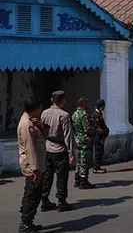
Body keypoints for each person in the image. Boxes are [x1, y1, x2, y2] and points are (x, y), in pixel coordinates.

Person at [40, 90, 75, 212]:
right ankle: (61, 201)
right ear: (63, 101)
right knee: (62, 176)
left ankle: (44, 199)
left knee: (47, 176)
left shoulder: (44, 113)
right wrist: (71, 152)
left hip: (48, 147)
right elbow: (68, 135)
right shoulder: (64, 115)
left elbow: (42, 130)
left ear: (51, 100)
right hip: (60, 150)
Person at [18, 98, 47, 233]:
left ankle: (28, 220)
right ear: (35, 108)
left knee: (34, 193)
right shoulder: (26, 124)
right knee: (32, 194)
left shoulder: (32, 121)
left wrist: (40, 125)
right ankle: (25, 223)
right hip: (32, 166)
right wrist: (36, 169)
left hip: (36, 165)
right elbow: (30, 148)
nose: (40, 110)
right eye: (39, 108)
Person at [72, 97, 94, 189]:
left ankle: (77, 179)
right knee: (84, 160)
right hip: (85, 139)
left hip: (77, 138)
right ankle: (83, 180)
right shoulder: (83, 115)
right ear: (83, 104)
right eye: (87, 103)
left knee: (79, 160)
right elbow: (87, 128)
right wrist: (93, 129)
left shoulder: (74, 114)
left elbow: (73, 125)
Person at [91, 99, 109, 174]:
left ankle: (98, 166)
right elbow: (97, 127)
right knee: (98, 152)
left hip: (100, 137)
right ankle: (96, 167)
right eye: (103, 105)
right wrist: (103, 134)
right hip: (98, 137)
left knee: (101, 152)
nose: (104, 107)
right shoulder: (96, 115)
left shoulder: (99, 114)